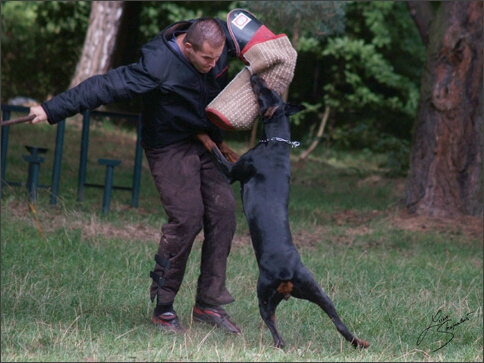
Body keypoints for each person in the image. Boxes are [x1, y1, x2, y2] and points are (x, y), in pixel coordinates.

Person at [29, 16, 243, 334]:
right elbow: (104, 86)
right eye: (206, 59)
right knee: (187, 218)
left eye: (217, 57)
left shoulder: (217, 43)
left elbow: (259, 48)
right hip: (169, 145)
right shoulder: (156, 66)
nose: (214, 65)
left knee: (224, 212)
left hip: (204, 139)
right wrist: (52, 109)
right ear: (187, 46)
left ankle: (208, 304)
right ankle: (164, 308)